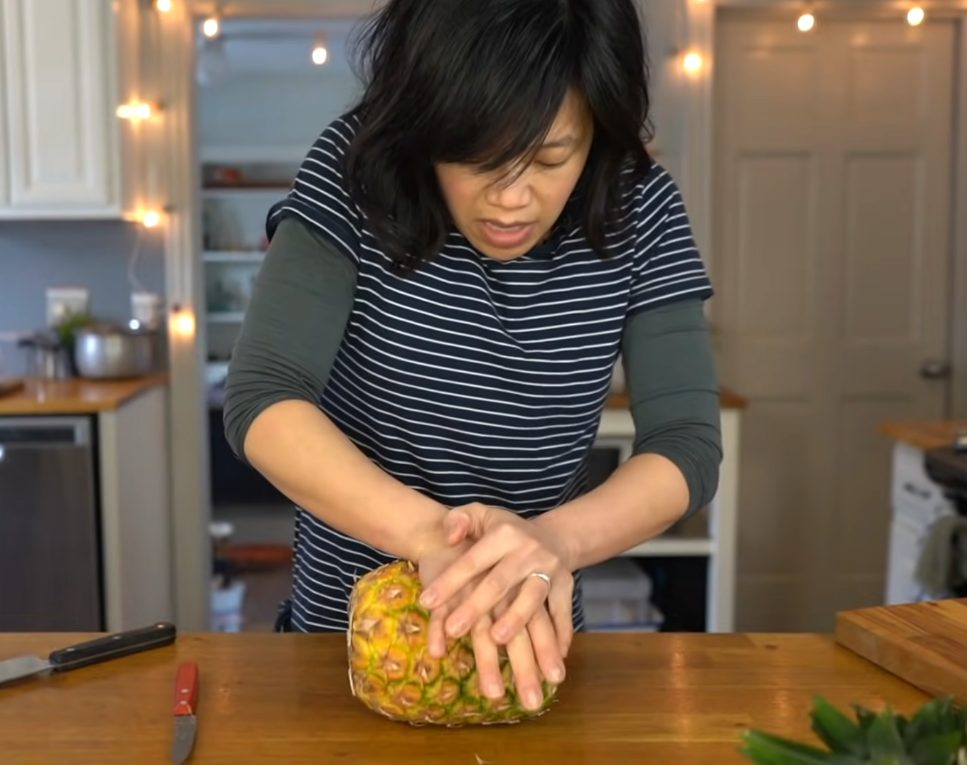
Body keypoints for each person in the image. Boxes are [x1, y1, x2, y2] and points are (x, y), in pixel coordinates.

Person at [223, 0, 722, 713]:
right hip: (348, 645)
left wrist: (551, 542)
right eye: (479, 157)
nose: (513, 198)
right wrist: (432, 538)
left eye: (554, 157)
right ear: (426, 124)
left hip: (534, 642)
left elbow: (687, 445)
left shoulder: (638, 205)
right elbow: (263, 396)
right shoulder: (355, 170)